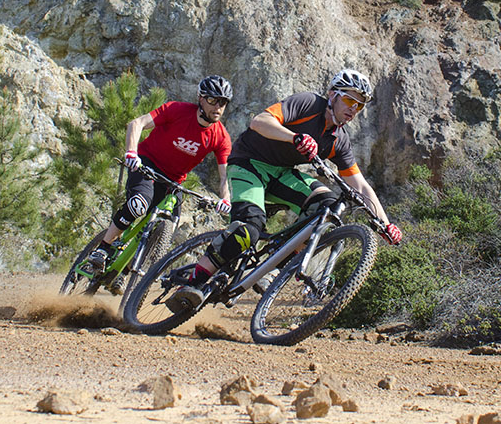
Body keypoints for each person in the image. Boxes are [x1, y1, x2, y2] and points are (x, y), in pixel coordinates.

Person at [167, 68, 401, 311]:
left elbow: (359, 184)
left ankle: (273, 268)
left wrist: (385, 224)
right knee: (248, 229)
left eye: (360, 105)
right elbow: (260, 121)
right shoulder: (308, 104)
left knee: (327, 207)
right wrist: (294, 137)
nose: (354, 108)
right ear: (332, 94)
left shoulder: (338, 140)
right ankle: (193, 283)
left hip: (281, 174)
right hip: (249, 163)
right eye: (350, 100)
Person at [83, 75, 234, 274]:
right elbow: (137, 123)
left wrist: (225, 198)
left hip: (173, 180)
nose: (218, 107)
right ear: (200, 98)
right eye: (213, 100)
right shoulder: (177, 110)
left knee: (166, 227)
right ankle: (103, 248)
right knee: (139, 204)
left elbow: (224, 176)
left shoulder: (221, 137)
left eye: (223, 102)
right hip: (147, 164)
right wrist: (131, 153)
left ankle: (126, 271)